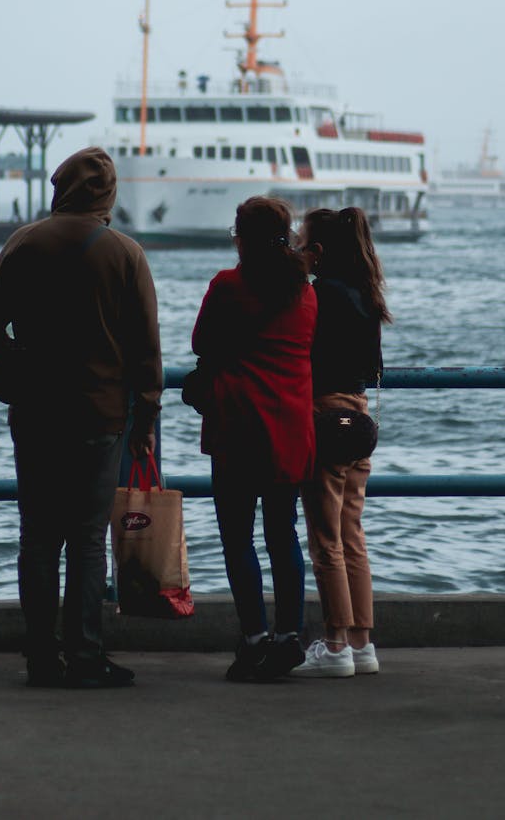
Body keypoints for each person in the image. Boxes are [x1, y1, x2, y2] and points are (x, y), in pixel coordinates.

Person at [0, 147, 162, 689]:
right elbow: (147, 352)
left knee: (37, 538)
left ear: (60, 188)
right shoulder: (126, 254)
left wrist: (19, 364)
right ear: (108, 194)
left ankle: (39, 656)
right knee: (85, 539)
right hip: (100, 418)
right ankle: (85, 655)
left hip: (34, 415)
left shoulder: (24, 243)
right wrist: (145, 417)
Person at [191, 197, 317, 681]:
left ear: (241, 237)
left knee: (237, 537)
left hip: (238, 427)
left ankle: (253, 640)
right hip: (289, 428)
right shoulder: (306, 293)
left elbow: (202, 343)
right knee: (283, 534)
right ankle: (289, 637)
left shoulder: (228, 285)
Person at [295, 207, 391, 678]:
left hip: (324, 417)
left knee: (325, 541)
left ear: (319, 251)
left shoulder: (318, 296)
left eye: (303, 242)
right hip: (358, 417)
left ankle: (334, 647)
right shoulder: (364, 296)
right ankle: (362, 645)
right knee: (352, 536)